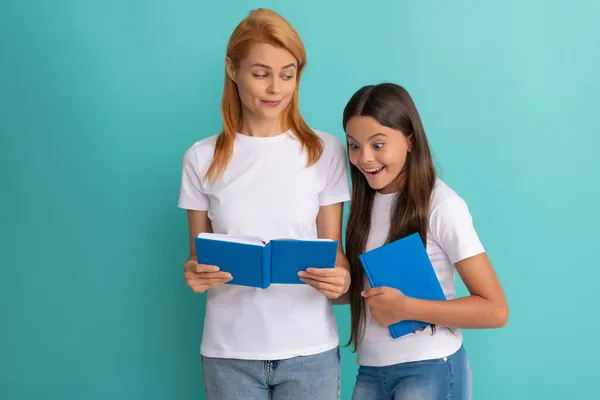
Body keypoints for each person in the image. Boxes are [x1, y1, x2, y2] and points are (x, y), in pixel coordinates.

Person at [177, 8, 351, 400]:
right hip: (229, 354)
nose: (276, 88)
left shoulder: (325, 152)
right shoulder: (200, 158)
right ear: (232, 70)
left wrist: (341, 279)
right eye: (261, 73)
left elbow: (335, 257)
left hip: (310, 353)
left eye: (287, 74)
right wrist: (194, 273)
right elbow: (195, 257)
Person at [341, 82, 509, 400]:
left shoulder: (442, 205)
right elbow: (365, 293)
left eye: (378, 145)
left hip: (430, 369)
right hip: (371, 371)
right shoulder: (363, 203)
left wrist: (406, 308)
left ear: (409, 140)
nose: (364, 159)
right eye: (354, 146)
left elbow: (495, 310)